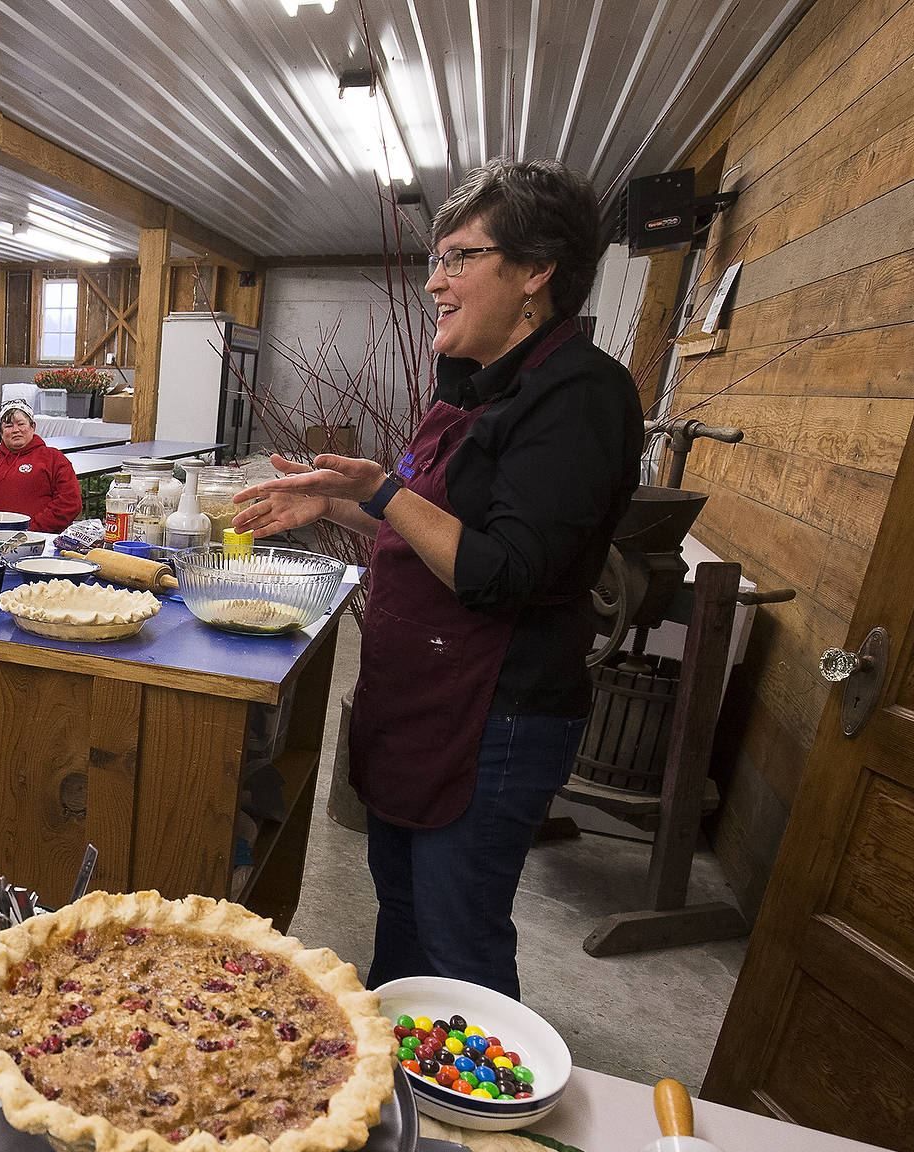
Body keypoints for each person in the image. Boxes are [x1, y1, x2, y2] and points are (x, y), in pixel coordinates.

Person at [232, 158, 642, 1001]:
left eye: (460, 257)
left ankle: (477, 1120)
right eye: (434, 260)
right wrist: (340, 506)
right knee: (406, 916)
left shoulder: (580, 396)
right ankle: (406, 1099)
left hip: (494, 720)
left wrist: (379, 486)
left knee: (460, 942)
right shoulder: (475, 387)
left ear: (536, 272)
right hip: (422, 703)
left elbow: (501, 569)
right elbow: (431, 529)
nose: (435, 282)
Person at [0, 401, 81, 533]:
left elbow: (69, 502)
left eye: (21, 424)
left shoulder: (53, 458)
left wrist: (30, 531)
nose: (16, 430)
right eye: (9, 426)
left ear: (32, 427)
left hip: (35, 538)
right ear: (1, 431)